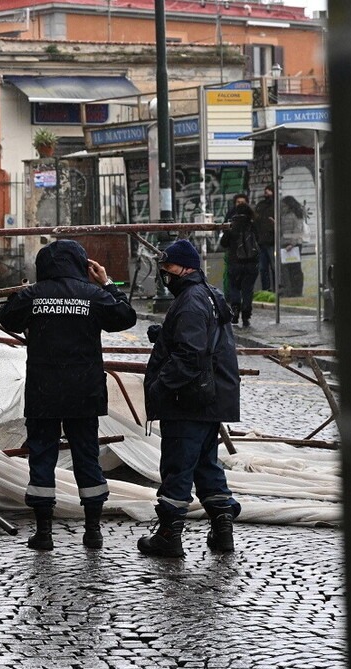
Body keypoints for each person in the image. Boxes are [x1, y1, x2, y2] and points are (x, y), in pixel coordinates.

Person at [0, 239, 137, 550]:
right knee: (87, 458)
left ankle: (44, 532)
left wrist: (20, 294)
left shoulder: (34, 295)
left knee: (42, 457)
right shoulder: (94, 295)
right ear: (81, 264)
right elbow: (126, 317)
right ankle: (93, 531)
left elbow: (6, 318)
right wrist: (108, 283)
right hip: (83, 392)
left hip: (43, 391)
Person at [139, 239, 241, 557]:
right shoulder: (208, 294)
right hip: (209, 399)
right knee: (205, 466)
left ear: (186, 268)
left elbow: (191, 355)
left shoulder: (191, 301)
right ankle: (223, 530)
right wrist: (165, 336)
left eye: (169, 269)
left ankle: (169, 535)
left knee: (178, 466)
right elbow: (202, 341)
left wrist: (160, 387)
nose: (165, 275)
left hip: (189, 400)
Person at [219, 193, 260, 328]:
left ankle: (235, 308)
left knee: (234, 287)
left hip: (235, 262)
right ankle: (246, 315)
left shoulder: (232, 226)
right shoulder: (253, 225)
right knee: (248, 289)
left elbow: (224, 243)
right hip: (251, 263)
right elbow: (259, 240)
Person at [279, 195, 306, 297]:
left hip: (294, 245)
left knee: (295, 268)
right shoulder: (283, 214)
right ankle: (289, 290)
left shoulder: (296, 214)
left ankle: (297, 291)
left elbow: (297, 230)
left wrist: (292, 243)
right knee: (286, 269)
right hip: (284, 244)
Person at [253, 185, 276, 291]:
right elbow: (256, 222)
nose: (266, 194)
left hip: (272, 242)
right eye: (266, 192)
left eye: (269, 192)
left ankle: (276, 288)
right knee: (263, 268)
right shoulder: (261, 206)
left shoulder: (276, 205)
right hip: (262, 242)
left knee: (274, 267)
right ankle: (266, 289)